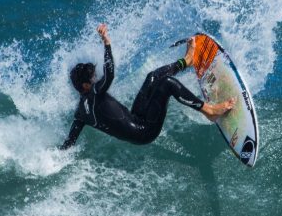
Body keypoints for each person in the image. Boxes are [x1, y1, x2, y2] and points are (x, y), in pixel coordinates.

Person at [60, 24, 234, 149]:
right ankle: (209, 111)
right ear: (85, 85)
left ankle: (187, 61)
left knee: (152, 77)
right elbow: (110, 74)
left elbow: (69, 142)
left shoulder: (80, 113)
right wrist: (106, 43)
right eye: (92, 78)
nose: (96, 78)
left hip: (136, 118)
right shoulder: (95, 93)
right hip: (145, 131)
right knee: (166, 84)